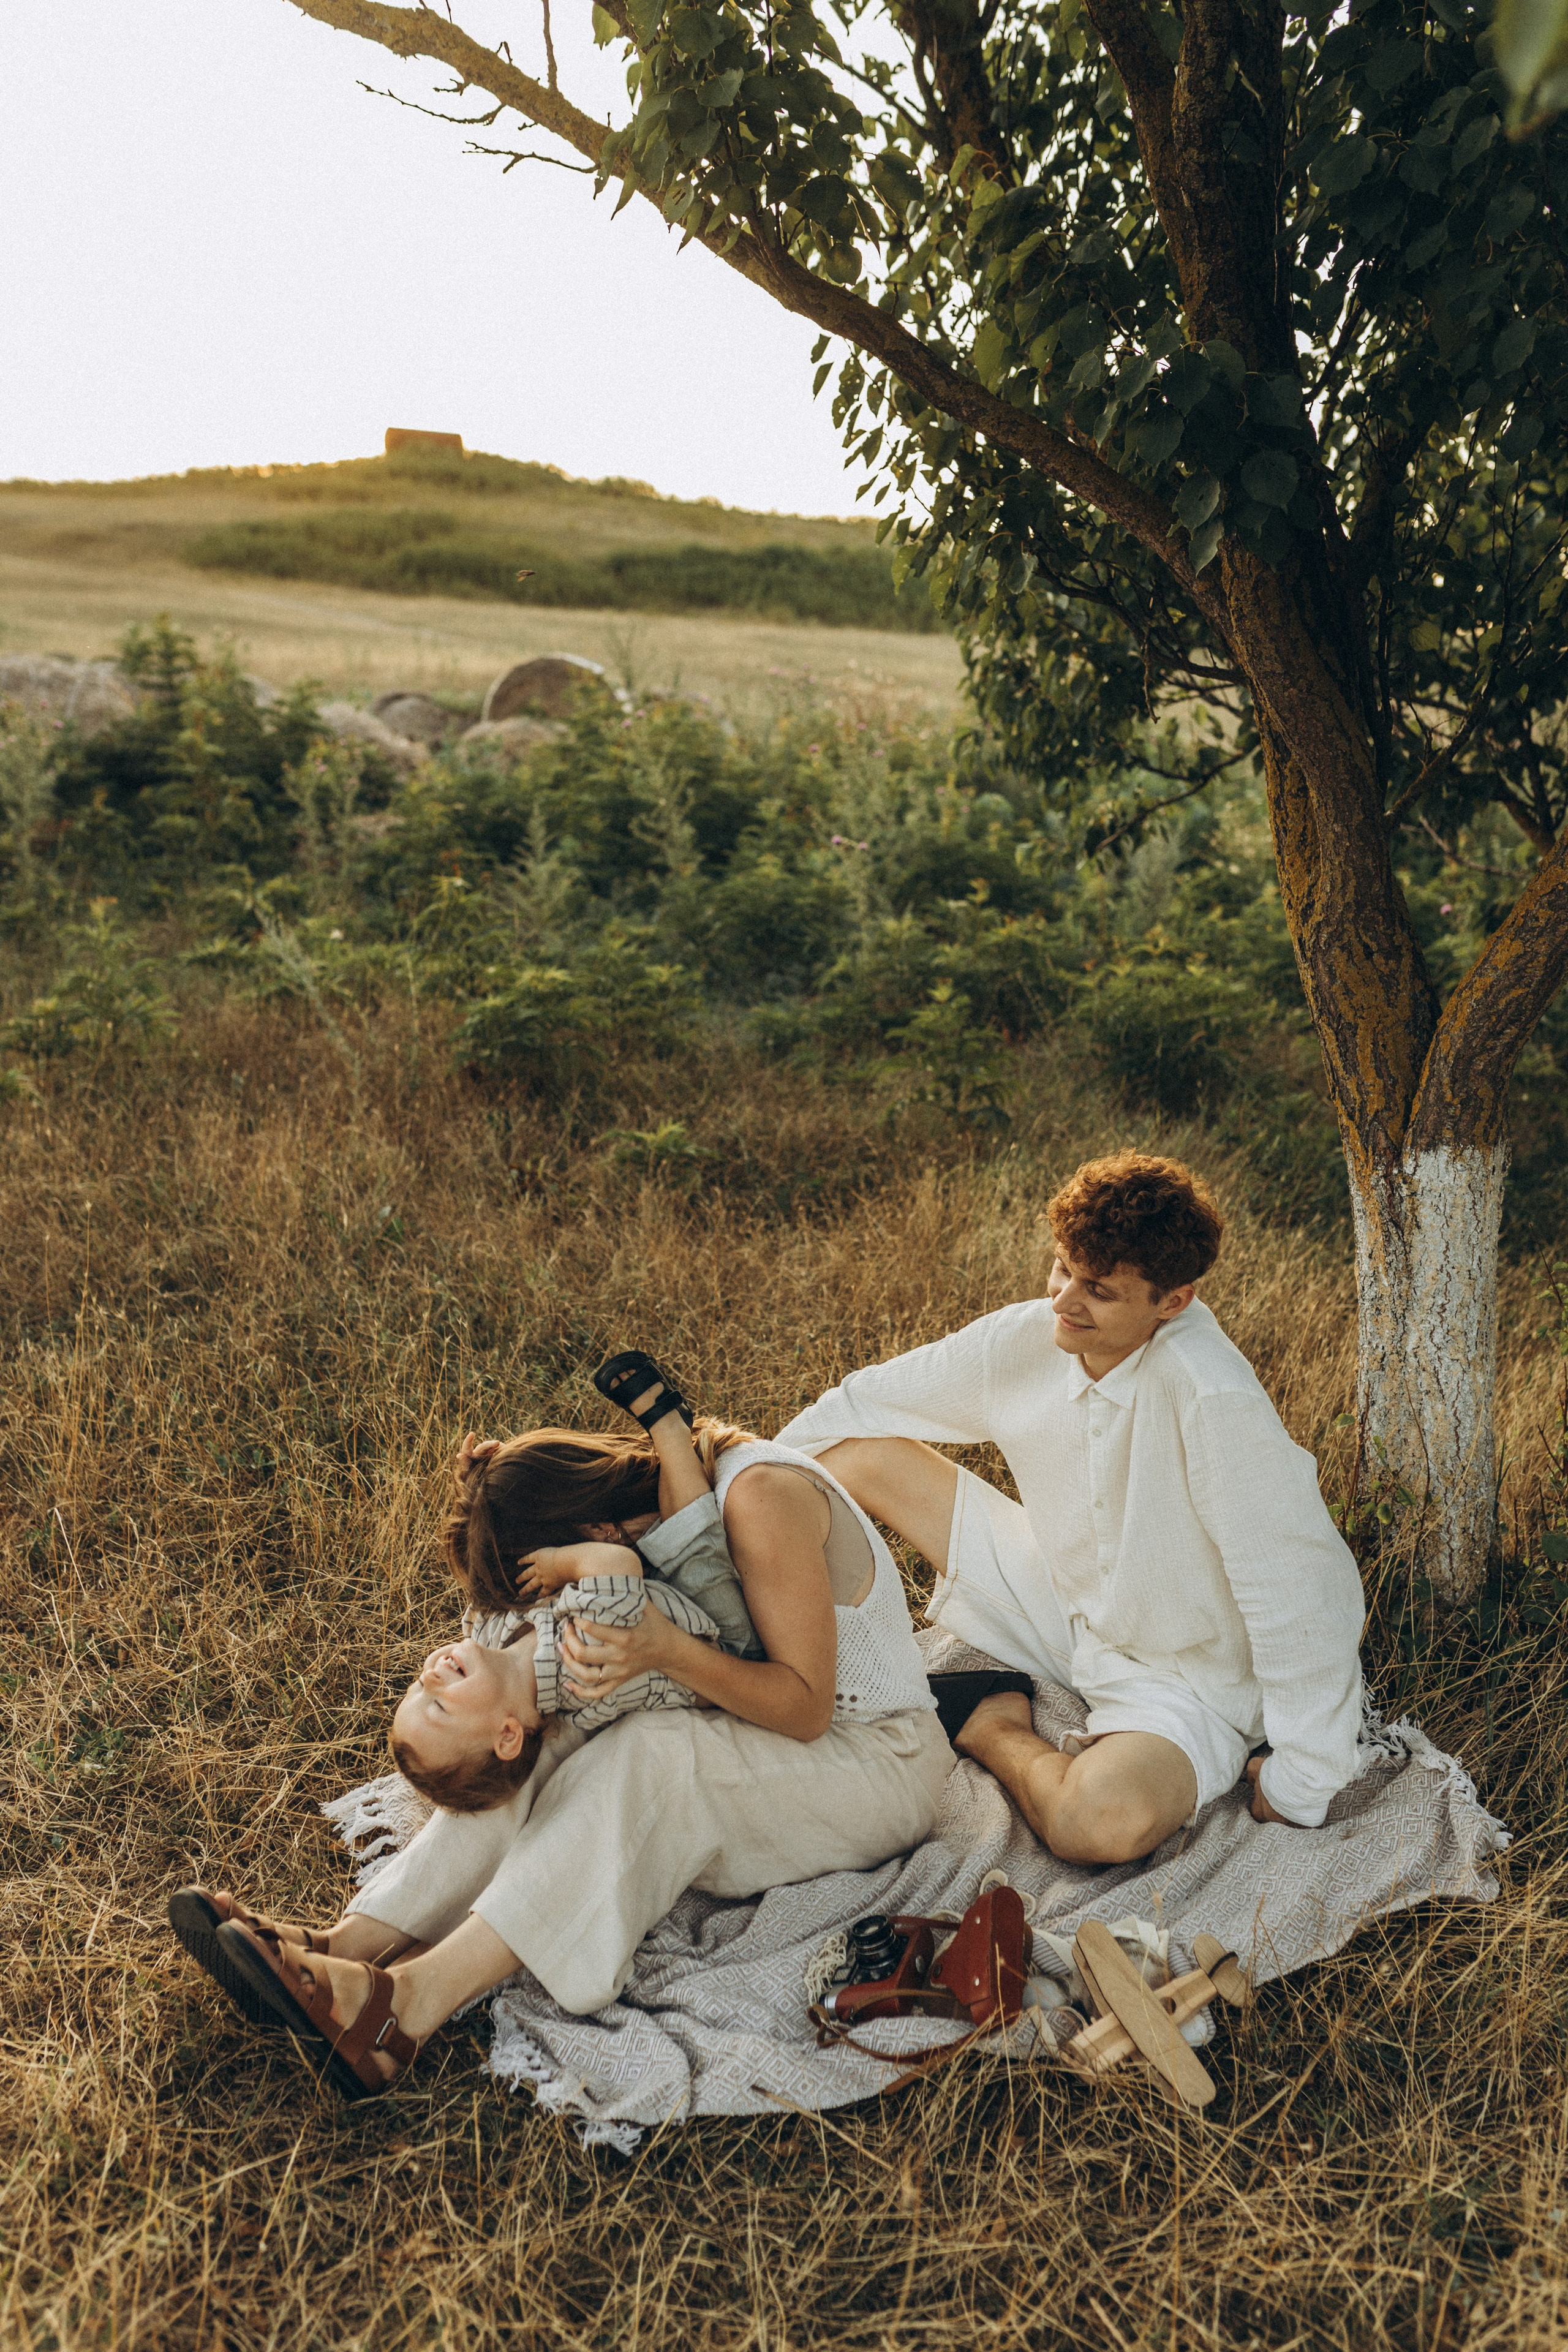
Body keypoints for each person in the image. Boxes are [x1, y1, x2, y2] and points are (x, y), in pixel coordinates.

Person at [168, 1355, 951, 2100]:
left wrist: (666, 1650)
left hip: (875, 1759)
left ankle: (404, 2009)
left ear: (596, 1533)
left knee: (648, 1753)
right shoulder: (645, 1519)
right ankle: (352, 1943)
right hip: (767, 1726)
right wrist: (493, 1497)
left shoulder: (757, 1497)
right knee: (543, 1721)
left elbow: (806, 1707)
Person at [778, 1151, 1366, 1866]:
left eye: (1097, 1289)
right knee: (843, 1454)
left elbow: (1302, 1589)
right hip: (1059, 1599)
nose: (1061, 1302)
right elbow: (859, 1404)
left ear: (1171, 1301)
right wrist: (737, 1500)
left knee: (1096, 1824)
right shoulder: (1024, 1336)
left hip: (1186, 1681)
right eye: (1061, 1268)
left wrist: (1303, 1775)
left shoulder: (1213, 1398)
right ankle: (791, 1661)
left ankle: (989, 1721)